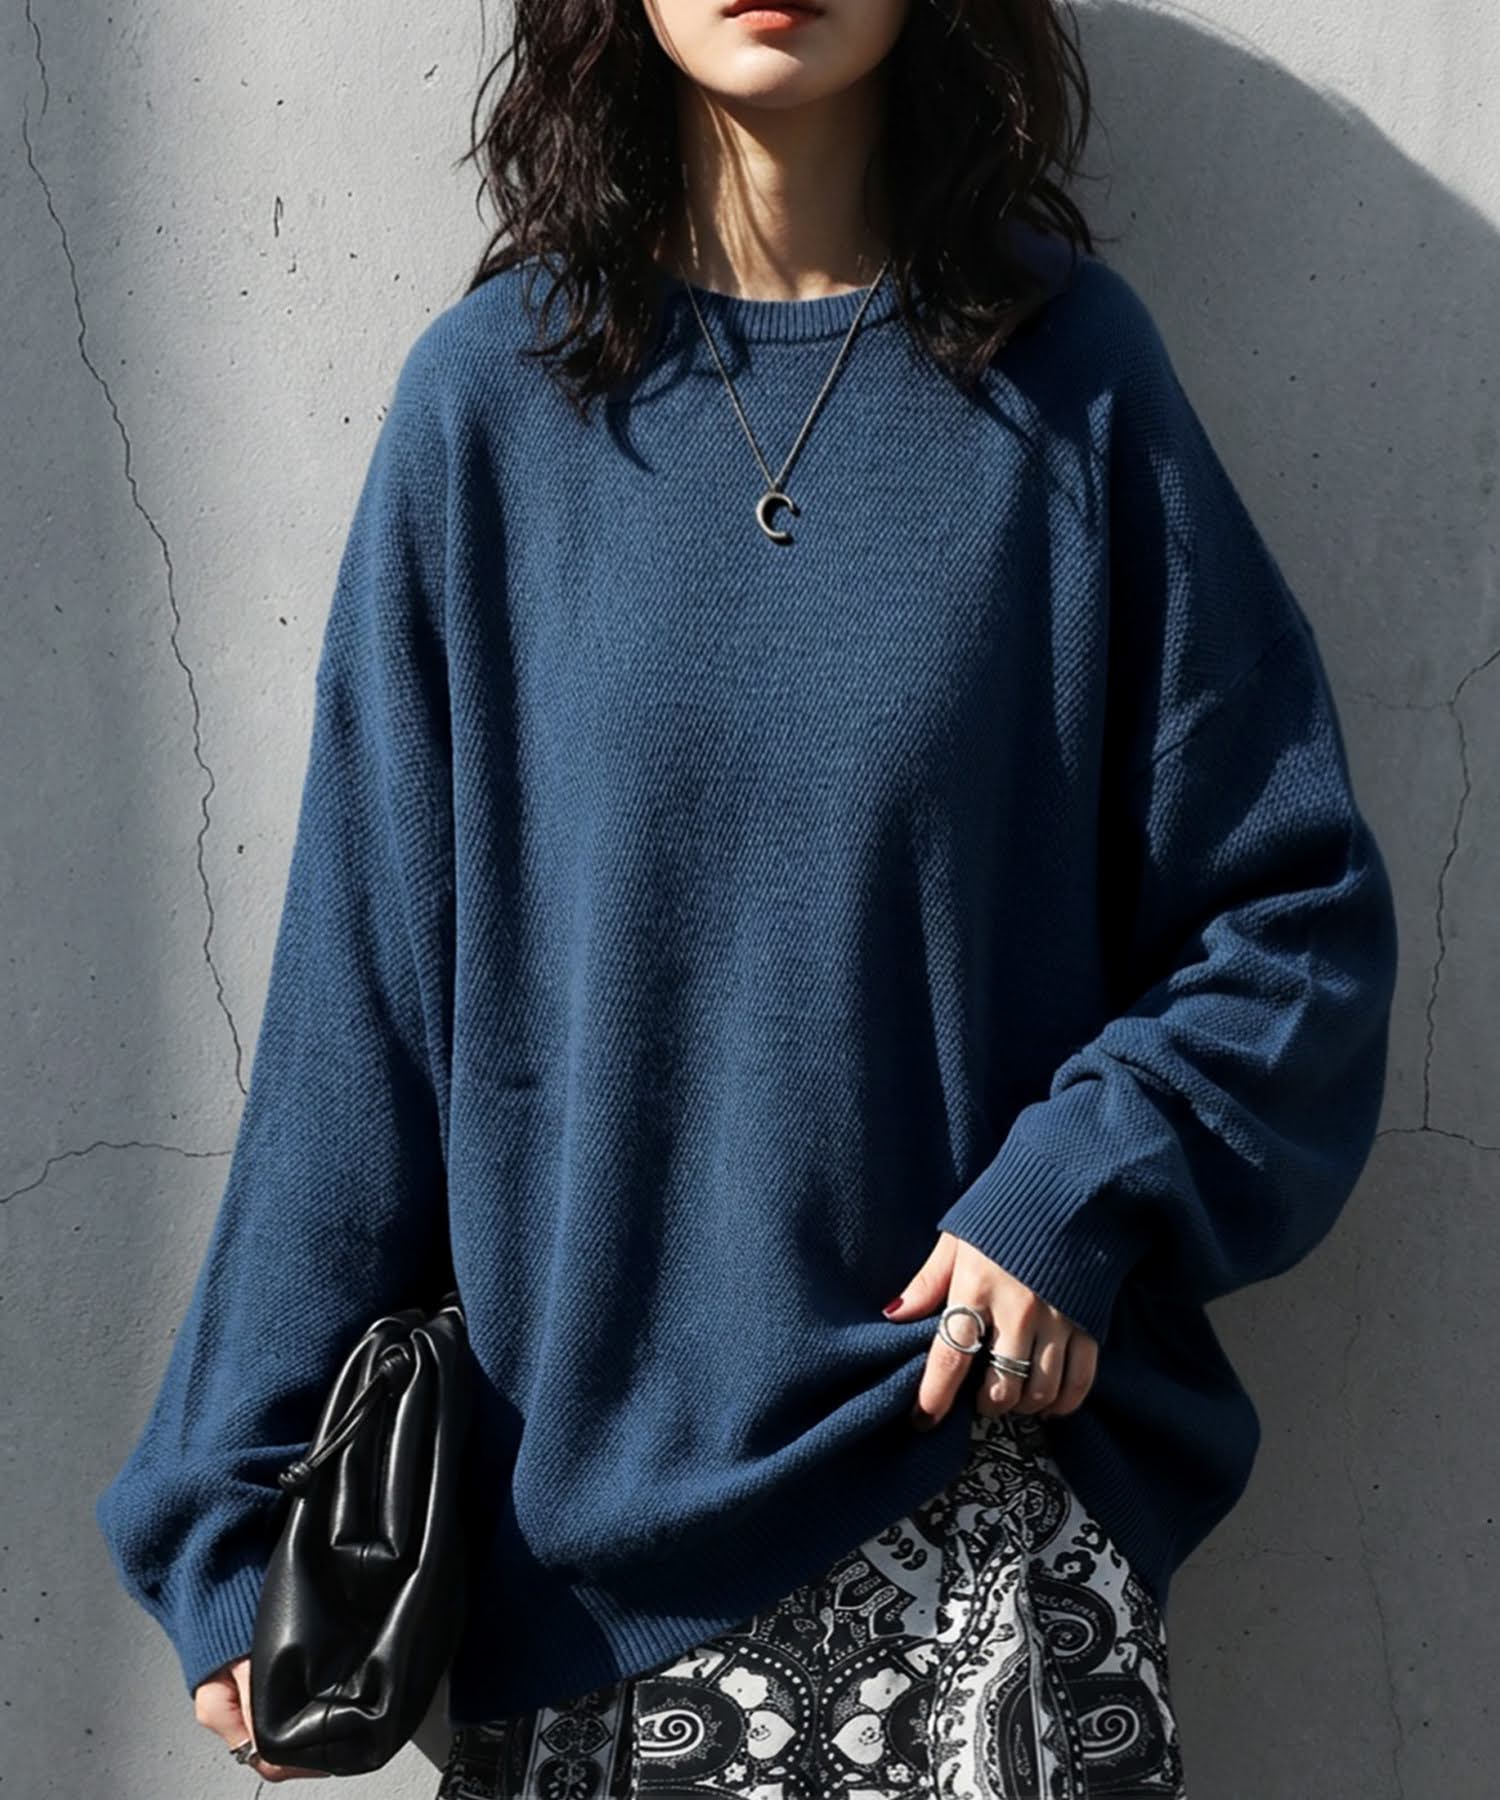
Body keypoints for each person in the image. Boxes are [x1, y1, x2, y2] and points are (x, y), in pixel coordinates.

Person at [93, 0, 1400, 1793]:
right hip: (582, 1582)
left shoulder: (1073, 382)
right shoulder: (491, 408)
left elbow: (1293, 913)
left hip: (978, 1541)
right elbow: (363, 1002)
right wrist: (237, 1503)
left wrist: (1081, 1186)